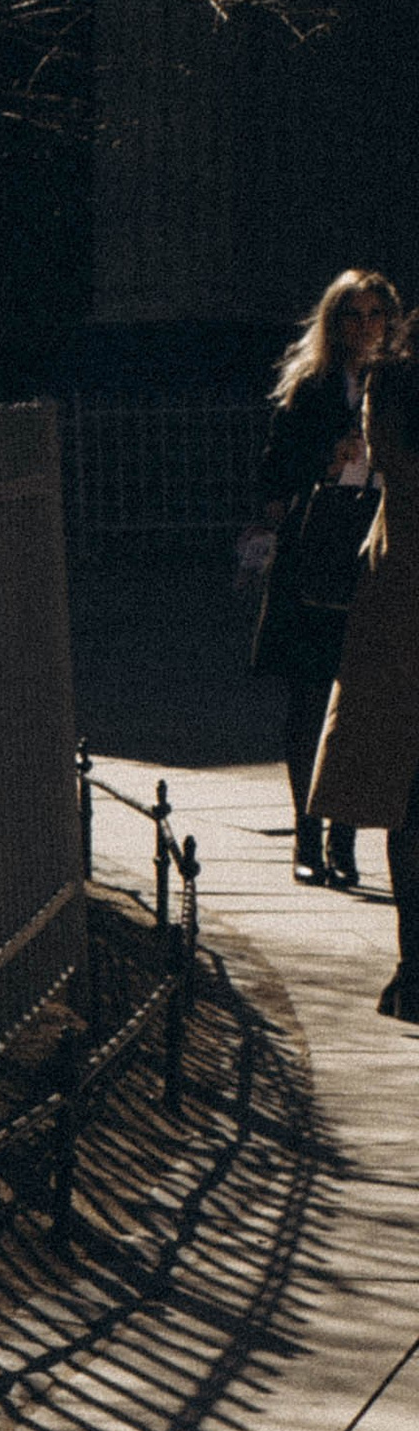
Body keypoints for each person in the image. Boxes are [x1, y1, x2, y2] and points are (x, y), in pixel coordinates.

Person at [246, 267, 397, 884]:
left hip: (376, 557)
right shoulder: (311, 389)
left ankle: (344, 839)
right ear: (335, 324)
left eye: (375, 316)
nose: (365, 328)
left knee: (359, 704)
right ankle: (307, 839)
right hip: (315, 557)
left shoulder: (400, 385)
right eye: (353, 316)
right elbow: (272, 475)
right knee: (310, 700)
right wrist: (325, 459)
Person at [308, 320, 419, 1020]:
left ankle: (414, 967)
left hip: (400, 606)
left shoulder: (392, 383)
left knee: (407, 797)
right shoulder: (396, 384)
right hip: (403, 605)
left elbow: (392, 468)